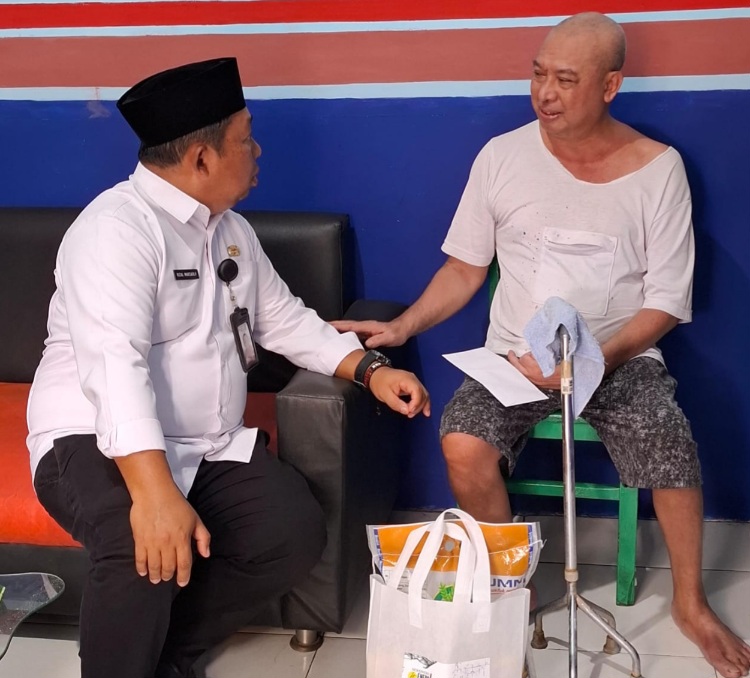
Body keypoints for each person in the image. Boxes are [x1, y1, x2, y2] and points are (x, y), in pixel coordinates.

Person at [332, 12, 750, 678]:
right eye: (537, 74)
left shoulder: (657, 169)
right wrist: (403, 326)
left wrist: (593, 360)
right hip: (514, 359)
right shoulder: (502, 157)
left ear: (610, 85)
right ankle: (509, 593)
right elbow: (465, 268)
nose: (544, 94)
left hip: (620, 357)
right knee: (462, 440)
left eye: (565, 80)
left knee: (669, 440)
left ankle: (691, 606)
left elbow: (667, 301)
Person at [26, 57, 430, 678]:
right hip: (92, 437)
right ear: (201, 159)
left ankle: (166, 655)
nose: (257, 150)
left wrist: (369, 370)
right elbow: (114, 369)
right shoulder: (116, 232)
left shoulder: (229, 229)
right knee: (140, 545)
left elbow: (283, 320)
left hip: (203, 442)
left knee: (291, 532)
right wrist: (154, 495)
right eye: (246, 139)